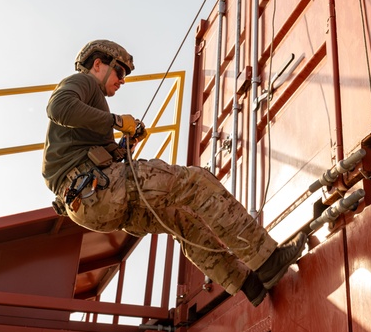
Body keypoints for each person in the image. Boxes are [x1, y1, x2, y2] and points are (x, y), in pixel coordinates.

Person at [42, 39, 306, 307]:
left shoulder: (93, 111)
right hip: (97, 190)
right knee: (196, 182)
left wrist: (127, 143)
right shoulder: (84, 82)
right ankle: (267, 260)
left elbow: (108, 157)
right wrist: (118, 122)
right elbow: (58, 108)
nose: (122, 81)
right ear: (97, 64)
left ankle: (248, 284)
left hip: (91, 204)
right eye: (119, 72)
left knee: (184, 220)